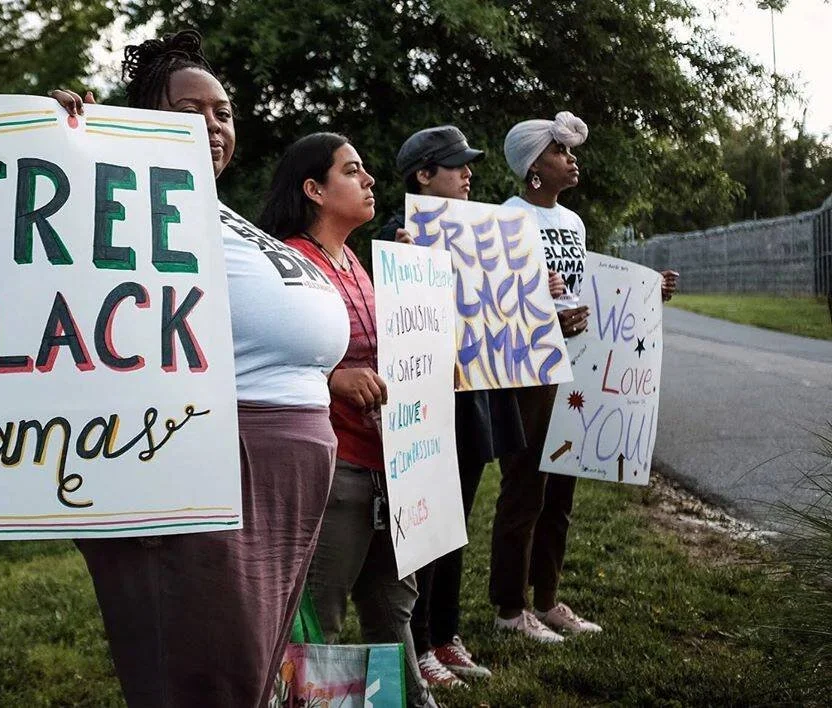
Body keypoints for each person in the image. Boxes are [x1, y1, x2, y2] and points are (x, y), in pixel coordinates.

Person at [52, 31, 350, 707]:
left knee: (252, 670)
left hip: (281, 475)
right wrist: (53, 141)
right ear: (142, 123)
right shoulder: (120, 207)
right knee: (206, 673)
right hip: (214, 463)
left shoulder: (220, 211)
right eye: (191, 110)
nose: (215, 125)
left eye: (224, 112)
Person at [377, 125, 561, 687]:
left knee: (454, 522)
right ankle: (420, 638)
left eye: (467, 165)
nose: (468, 173)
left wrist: (538, 288)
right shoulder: (397, 235)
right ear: (423, 175)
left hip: (476, 397)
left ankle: (445, 635)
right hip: (427, 406)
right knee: (426, 527)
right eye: (455, 166)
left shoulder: (488, 234)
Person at [258, 133, 437, 708]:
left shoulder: (356, 261)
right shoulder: (288, 264)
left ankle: (413, 700)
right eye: (352, 171)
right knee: (318, 624)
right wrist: (332, 378)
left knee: (394, 606)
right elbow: (266, 355)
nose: (370, 181)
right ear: (314, 189)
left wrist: (413, 281)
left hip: (389, 466)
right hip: (336, 470)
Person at [490, 112, 678, 643]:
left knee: (561, 488)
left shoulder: (571, 223)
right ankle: (509, 610)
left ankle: (546, 601)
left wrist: (645, 291)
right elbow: (499, 307)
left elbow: (587, 290)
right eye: (560, 152)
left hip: (576, 366)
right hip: (526, 367)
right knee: (524, 487)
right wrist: (547, 316)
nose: (572, 160)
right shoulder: (507, 220)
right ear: (533, 167)